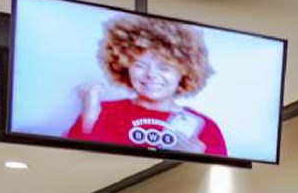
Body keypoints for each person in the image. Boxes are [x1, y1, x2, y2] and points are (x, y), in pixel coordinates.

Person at [68, 13, 227, 157]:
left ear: (185, 72)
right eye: (140, 65)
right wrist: (90, 117)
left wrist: (197, 159)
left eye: (164, 67)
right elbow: (76, 162)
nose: (151, 75)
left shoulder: (205, 128)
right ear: (123, 66)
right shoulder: (101, 112)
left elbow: (219, 175)